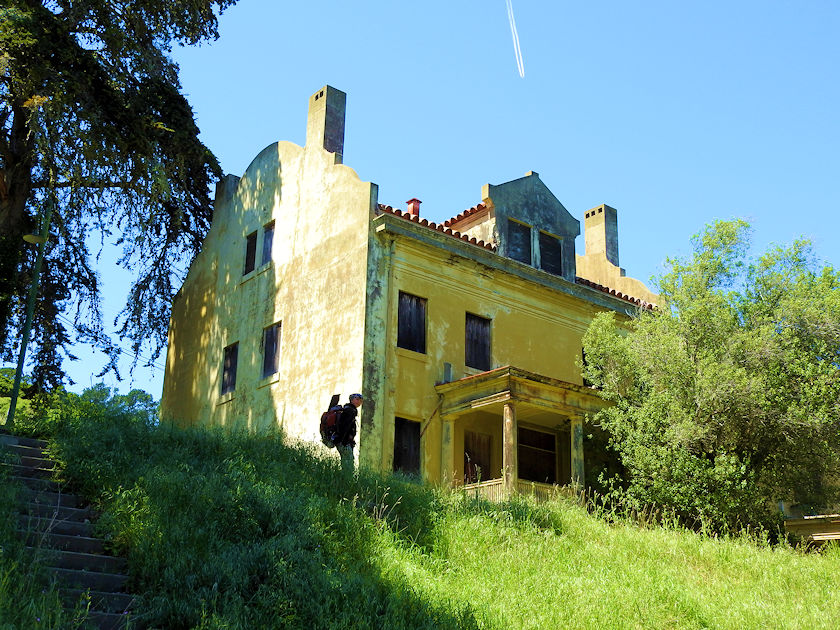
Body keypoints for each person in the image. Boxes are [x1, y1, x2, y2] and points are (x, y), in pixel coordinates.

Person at [334, 393, 362, 474]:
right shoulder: (350, 410)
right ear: (351, 400)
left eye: (361, 401)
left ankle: (344, 477)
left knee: (345, 460)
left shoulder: (347, 409)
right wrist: (343, 440)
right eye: (357, 399)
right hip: (345, 442)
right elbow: (345, 426)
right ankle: (347, 479)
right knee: (348, 462)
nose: (359, 402)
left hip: (341, 440)